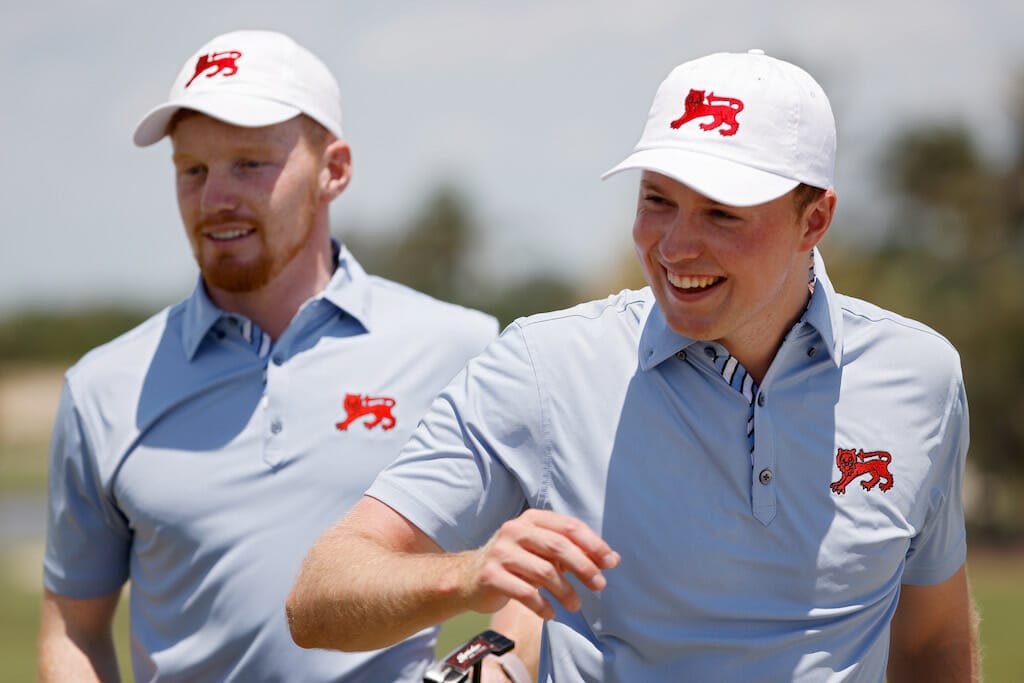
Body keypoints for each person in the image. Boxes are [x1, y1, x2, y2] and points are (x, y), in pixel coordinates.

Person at [286, 49, 981, 681]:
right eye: (657, 199)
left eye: (721, 213)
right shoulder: (542, 367)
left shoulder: (921, 377)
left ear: (814, 220)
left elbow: (930, 643)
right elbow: (320, 596)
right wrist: (467, 575)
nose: (676, 245)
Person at [37, 29, 502, 682]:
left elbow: (558, 552)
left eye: (250, 163)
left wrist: (499, 669)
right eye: (192, 169)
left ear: (333, 169)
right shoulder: (103, 387)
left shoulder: (462, 347)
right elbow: (74, 627)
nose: (215, 197)